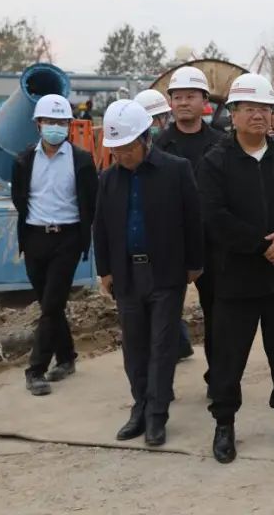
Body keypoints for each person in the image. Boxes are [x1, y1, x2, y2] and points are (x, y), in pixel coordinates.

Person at [203, 74, 274, 464]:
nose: (258, 115)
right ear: (232, 114)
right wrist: (261, 245)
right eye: (249, 108)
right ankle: (224, 424)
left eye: (264, 108)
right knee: (228, 358)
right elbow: (214, 216)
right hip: (236, 280)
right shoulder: (216, 161)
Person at [94, 100, 204, 447]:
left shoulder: (176, 170)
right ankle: (139, 407)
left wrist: (194, 264)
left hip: (166, 273)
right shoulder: (108, 178)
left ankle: (157, 415)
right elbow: (101, 226)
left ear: (146, 139)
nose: (121, 156)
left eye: (127, 148)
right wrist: (105, 270)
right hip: (126, 274)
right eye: (116, 150)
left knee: (162, 346)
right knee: (134, 347)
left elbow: (193, 220)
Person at [12, 95, 97, 396]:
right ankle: (67, 356)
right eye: (50, 121)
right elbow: (19, 198)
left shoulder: (82, 161)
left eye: (61, 122)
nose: (55, 127)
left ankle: (35, 370)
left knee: (51, 304)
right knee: (51, 303)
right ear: (38, 124)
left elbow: (91, 201)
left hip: (67, 238)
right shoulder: (24, 160)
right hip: (35, 237)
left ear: (69, 125)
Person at [155, 67, 226, 384]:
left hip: (213, 244)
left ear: (204, 101)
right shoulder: (157, 145)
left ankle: (218, 379)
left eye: (190, 96)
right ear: (170, 103)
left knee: (217, 315)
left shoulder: (222, 143)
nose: (183, 103)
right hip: (171, 245)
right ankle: (161, 387)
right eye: (178, 97)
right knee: (164, 318)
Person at [136, 88, 195, 361]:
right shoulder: (134, 152)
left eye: (156, 119)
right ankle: (179, 344)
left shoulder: (173, 152)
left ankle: (174, 346)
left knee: (168, 300)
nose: (154, 125)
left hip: (175, 238)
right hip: (148, 240)